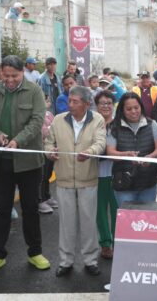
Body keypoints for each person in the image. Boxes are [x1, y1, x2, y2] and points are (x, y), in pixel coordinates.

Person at [0, 55, 49, 274]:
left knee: (30, 208)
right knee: (3, 209)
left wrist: (19, 141)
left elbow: (37, 120)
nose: (9, 80)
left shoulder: (34, 90)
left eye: (14, 76)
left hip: (28, 162)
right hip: (0, 162)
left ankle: (35, 252)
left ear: (22, 73)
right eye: (5, 75)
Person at [44, 86, 106, 278]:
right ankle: (66, 261)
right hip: (63, 179)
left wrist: (90, 152)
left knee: (88, 222)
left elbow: (100, 143)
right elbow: (48, 142)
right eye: (70, 100)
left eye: (75, 101)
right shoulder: (58, 119)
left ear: (87, 104)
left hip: (88, 179)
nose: (70, 104)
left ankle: (90, 260)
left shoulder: (97, 120)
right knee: (66, 223)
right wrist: (50, 152)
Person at [106, 92, 157, 204]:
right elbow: (110, 152)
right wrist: (125, 155)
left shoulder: (152, 124)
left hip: (148, 182)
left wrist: (150, 157)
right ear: (122, 110)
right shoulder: (114, 127)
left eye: (136, 108)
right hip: (124, 183)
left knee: (147, 219)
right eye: (128, 109)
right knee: (127, 219)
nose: (133, 112)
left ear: (141, 107)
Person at [94, 90, 118, 260]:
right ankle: (105, 244)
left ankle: (119, 243)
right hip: (97, 174)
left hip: (117, 174)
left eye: (109, 103)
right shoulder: (91, 124)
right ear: (96, 106)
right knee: (100, 211)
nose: (106, 106)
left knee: (118, 211)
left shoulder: (120, 124)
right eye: (102, 103)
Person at [38, 93, 57, 215]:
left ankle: (46, 196)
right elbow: (43, 133)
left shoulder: (50, 115)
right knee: (41, 176)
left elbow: (55, 129)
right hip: (41, 149)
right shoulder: (37, 116)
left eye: (47, 99)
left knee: (48, 174)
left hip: (51, 148)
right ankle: (39, 200)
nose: (47, 101)